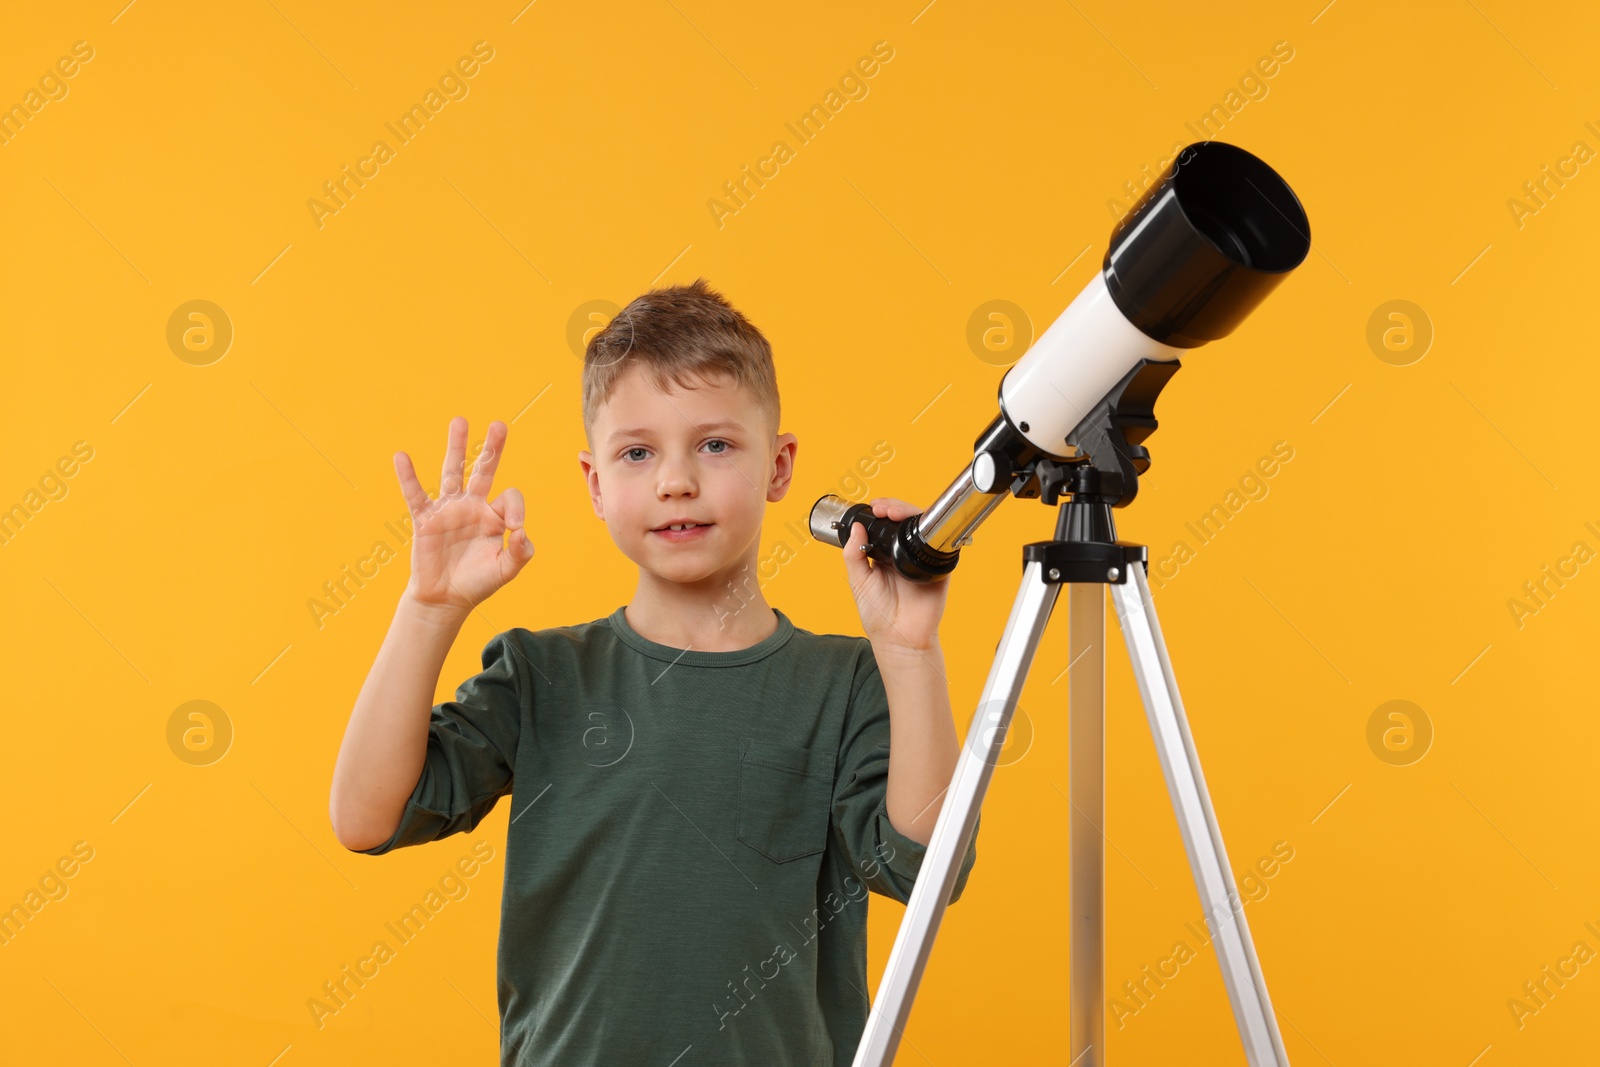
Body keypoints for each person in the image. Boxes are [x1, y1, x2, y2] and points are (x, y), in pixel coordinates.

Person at [328, 277, 979, 1066]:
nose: (677, 479)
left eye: (715, 444)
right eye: (638, 452)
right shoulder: (542, 674)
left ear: (780, 467)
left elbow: (929, 870)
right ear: (595, 484)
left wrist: (909, 653)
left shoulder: (845, 683)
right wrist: (429, 611)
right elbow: (365, 815)